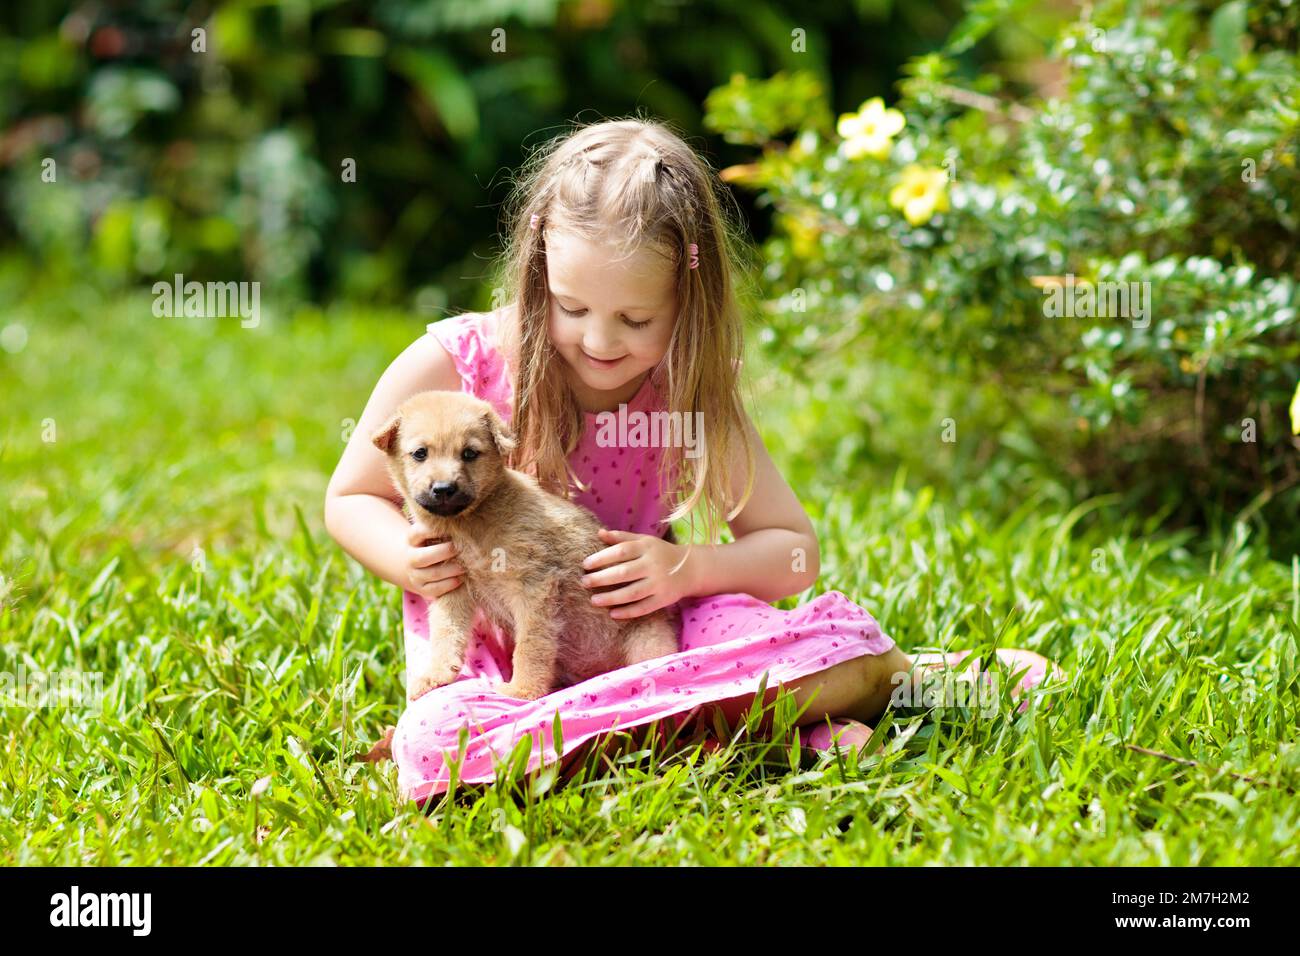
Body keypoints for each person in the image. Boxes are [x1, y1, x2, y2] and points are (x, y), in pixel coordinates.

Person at [324, 116, 1065, 806]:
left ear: (688, 295)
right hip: (498, 656)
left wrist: (688, 571)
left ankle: (892, 683)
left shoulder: (686, 396)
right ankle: (757, 732)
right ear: (538, 262)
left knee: (828, 646)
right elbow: (351, 496)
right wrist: (409, 559)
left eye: (637, 319)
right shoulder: (458, 365)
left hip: (651, 642)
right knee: (436, 742)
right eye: (572, 306)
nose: (600, 340)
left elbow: (795, 556)